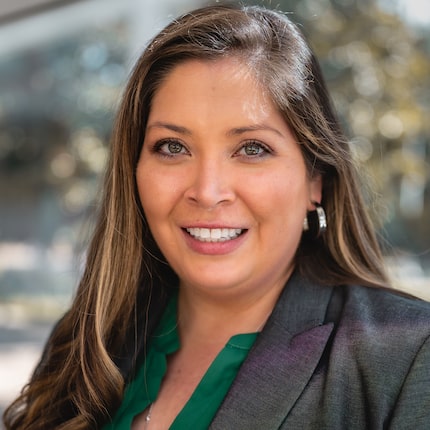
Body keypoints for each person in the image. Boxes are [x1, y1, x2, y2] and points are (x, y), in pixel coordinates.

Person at [3, 3, 430, 429]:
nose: (207, 192)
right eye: (173, 147)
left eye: (251, 149)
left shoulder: (407, 358)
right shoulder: (84, 340)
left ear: (315, 181)